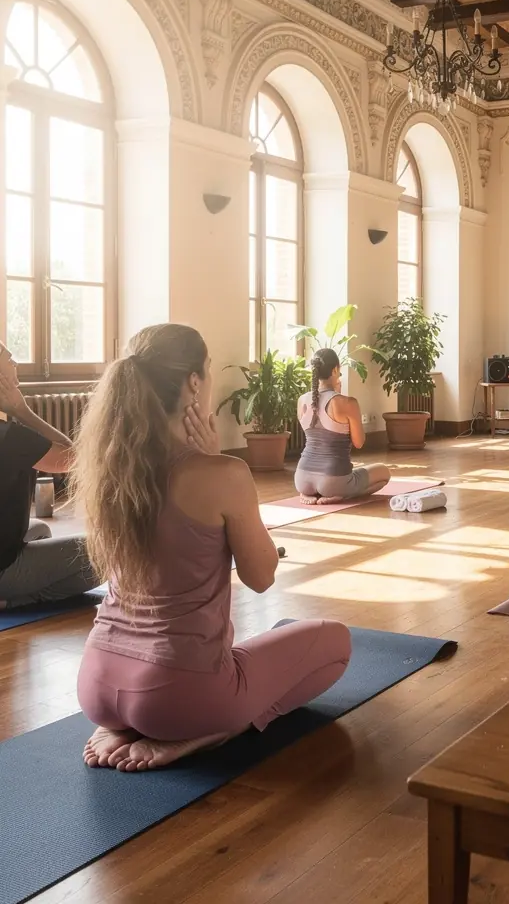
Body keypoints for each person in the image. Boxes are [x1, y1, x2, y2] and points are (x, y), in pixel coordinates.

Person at [73, 324, 352, 772]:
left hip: (96, 682)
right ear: (193, 383)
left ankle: (122, 724)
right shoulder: (223, 475)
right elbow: (262, 577)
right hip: (176, 696)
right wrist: (222, 464)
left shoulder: (110, 471)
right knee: (336, 641)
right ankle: (211, 731)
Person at [0, 342, 97, 610]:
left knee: (40, 529)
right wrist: (22, 410)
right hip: (2, 569)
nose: (15, 363)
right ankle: (13, 600)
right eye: (9, 358)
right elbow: (72, 458)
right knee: (104, 551)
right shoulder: (9, 437)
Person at [294, 348, 390, 505]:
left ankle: (309, 494)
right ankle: (342, 495)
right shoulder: (348, 403)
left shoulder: (302, 400)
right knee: (384, 472)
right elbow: (359, 443)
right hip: (334, 480)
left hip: (302, 478)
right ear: (335, 370)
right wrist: (338, 394)